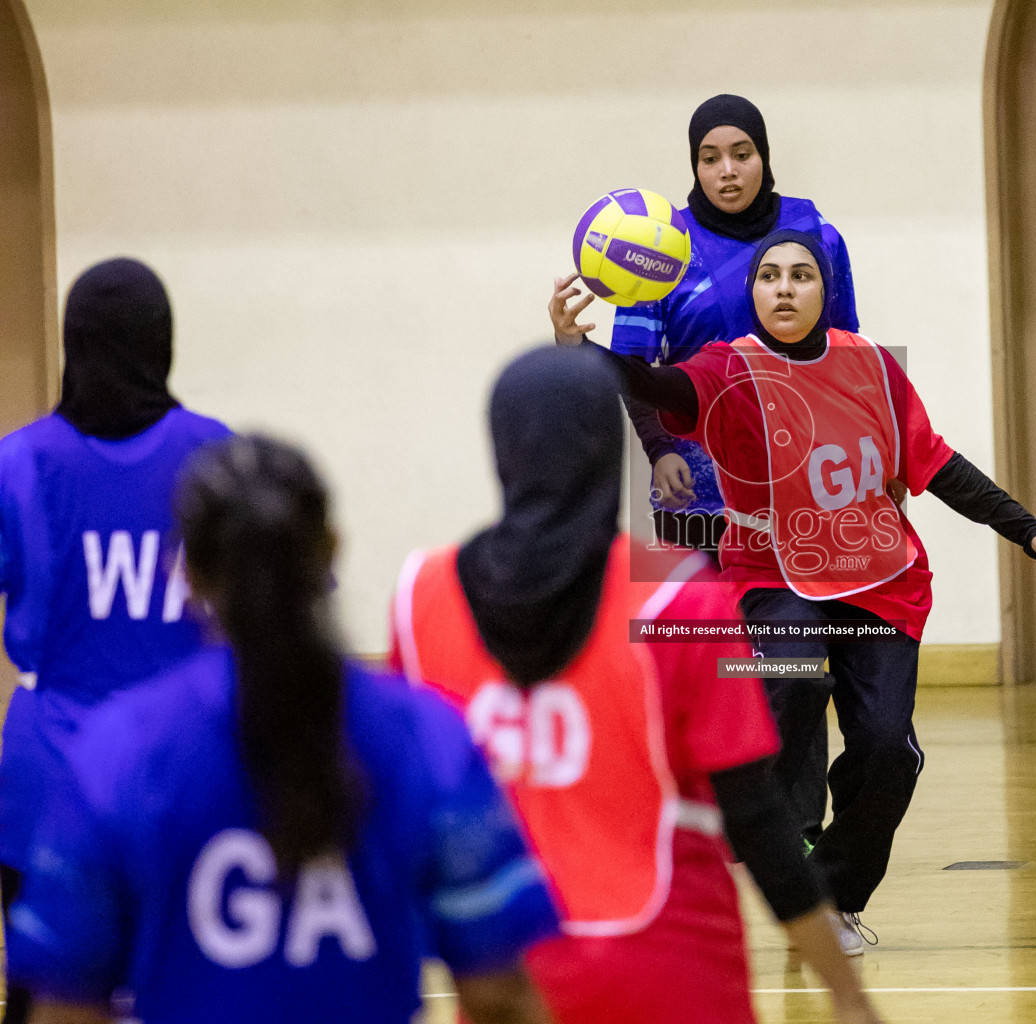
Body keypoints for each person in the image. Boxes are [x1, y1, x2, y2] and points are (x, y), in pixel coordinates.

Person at [559, 229, 1036, 953]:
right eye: (770, 276)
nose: (784, 288)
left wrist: (1031, 534)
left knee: (886, 751)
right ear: (752, 294)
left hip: (882, 580)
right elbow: (654, 385)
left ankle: (836, 894)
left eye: (801, 275)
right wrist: (578, 349)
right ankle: (758, 826)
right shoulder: (729, 367)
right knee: (794, 677)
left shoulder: (870, 364)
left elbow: (939, 466)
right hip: (772, 569)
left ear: (824, 291)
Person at [390, 346, 885, 1023]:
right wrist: (847, 993)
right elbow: (760, 820)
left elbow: (399, 817)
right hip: (667, 964)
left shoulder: (419, 600)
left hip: (504, 974)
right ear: (604, 445)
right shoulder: (680, 597)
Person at [5, 436, 560, 1024]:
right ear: (331, 551)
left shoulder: (118, 750)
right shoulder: (424, 736)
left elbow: (68, 1008)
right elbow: (499, 998)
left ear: (187, 571)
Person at [549, 92, 856, 847]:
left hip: (794, 495)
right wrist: (658, 452)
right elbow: (630, 366)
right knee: (685, 664)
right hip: (688, 488)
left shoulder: (815, 234)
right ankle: (684, 830)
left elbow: (848, 360)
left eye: (741, 154)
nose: (727, 171)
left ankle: (796, 839)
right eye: (710, 157)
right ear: (693, 165)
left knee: (797, 664)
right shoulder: (657, 244)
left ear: (764, 155)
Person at [0, 259, 233, 1023]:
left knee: (47, 1002)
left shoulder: (20, 463)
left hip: (49, 782)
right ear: (162, 342)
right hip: (188, 775)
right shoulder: (218, 458)